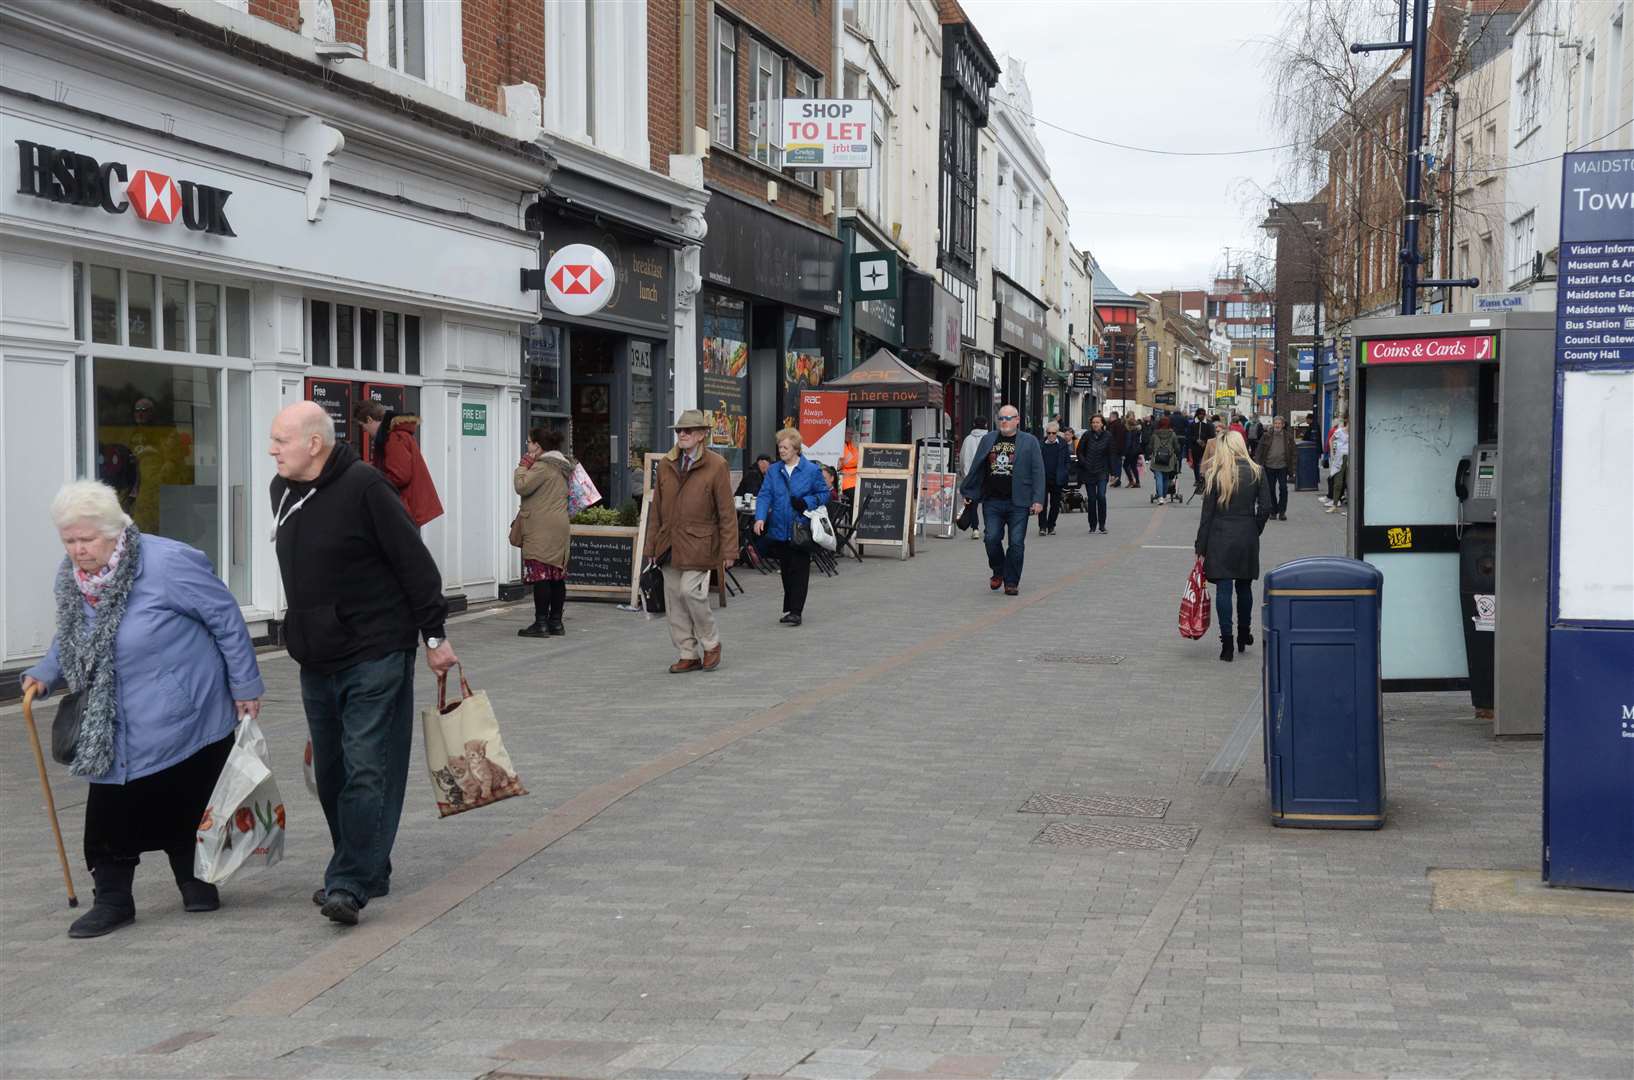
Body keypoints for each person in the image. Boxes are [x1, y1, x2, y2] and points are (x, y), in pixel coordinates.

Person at [22, 481, 264, 939]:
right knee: (111, 810)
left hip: (183, 711)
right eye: (69, 541)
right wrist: (45, 671)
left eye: (86, 540)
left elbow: (225, 618)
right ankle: (112, 899)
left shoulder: (167, 562)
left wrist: (245, 684)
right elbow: (72, 635)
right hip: (109, 719)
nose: (77, 551)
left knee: (186, 798)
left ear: (114, 531)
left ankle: (196, 880)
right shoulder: (74, 579)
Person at [268, 402, 458, 927]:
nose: (272, 449)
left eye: (280, 439)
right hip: (316, 654)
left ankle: (349, 882)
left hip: (376, 647)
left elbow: (413, 562)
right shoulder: (282, 491)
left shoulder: (366, 488)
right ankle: (368, 865)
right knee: (330, 773)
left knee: (367, 766)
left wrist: (435, 635)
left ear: (314, 442)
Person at [644, 410, 737, 672]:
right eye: (679, 431)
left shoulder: (716, 464)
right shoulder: (666, 464)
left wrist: (730, 549)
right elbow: (657, 509)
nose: (682, 435)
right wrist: (651, 545)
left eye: (688, 430)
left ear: (701, 435)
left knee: (690, 591)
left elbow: (726, 511)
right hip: (669, 541)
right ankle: (688, 652)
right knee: (674, 599)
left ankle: (711, 642)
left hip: (700, 542)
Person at [1195, 430, 1273, 663]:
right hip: (1246, 534)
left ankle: (1226, 643)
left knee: (1224, 590)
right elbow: (1266, 507)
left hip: (1220, 535)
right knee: (1245, 587)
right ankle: (1244, 633)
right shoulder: (1257, 471)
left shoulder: (1215, 474)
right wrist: (1255, 528)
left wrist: (1201, 546)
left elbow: (1206, 515)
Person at [958, 405, 1044, 595]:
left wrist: (1038, 499)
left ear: (1017, 420)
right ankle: (998, 571)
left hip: (1019, 502)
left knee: (1016, 543)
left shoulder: (1029, 441)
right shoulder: (988, 439)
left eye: (1008, 418)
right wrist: (970, 492)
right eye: (1001, 418)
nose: (1004, 421)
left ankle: (1011, 581)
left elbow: (1038, 471)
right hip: (992, 500)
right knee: (991, 538)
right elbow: (977, 467)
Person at [753, 428, 831, 627]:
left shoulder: (811, 470)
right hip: (779, 528)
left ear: (796, 449)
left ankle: (796, 611)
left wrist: (806, 502)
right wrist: (760, 517)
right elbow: (764, 495)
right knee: (786, 570)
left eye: (785, 447)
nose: (781, 450)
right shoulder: (773, 470)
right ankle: (790, 608)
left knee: (800, 569)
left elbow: (824, 494)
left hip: (801, 528)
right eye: (779, 447)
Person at [514, 428, 573, 638]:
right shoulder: (564, 465)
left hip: (541, 527)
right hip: (560, 525)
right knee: (556, 575)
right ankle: (556, 622)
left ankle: (541, 624)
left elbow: (521, 487)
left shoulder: (541, 467)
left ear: (538, 446)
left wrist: (522, 467)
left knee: (541, 576)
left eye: (529, 442)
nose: (527, 446)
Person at [354, 400, 444, 527]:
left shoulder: (394, 438)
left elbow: (400, 476)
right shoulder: (396, 434)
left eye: (363, 426)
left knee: (402, 546)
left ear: (369, 419)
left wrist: (373, 479)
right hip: (405, 507)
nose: (364, 431)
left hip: (403, 508)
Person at [1076, 414, 1115, 533]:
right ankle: (1092, 525)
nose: (1095, 424)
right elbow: (1079, 451)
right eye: (1093, 422)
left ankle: (1102, 525)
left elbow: (1111, 454)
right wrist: (1084, 462)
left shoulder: (1108, 436)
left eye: (1097, 422)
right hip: (1089, 471)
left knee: (1101, 497)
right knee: (1092, 499)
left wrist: (1113, 472)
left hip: (1102, 471)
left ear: (1102, 424)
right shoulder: (1087, 435)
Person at [1254, 415, 1296, 521]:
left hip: (1283, 466)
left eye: (1279, 423)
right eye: (1275, 423)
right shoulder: (1266, 436)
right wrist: (1257, 464)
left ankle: (1282, 512)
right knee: (1270, 489)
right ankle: (1273, 511)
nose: (1277, 425)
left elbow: (1294, 453)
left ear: (1283, 425)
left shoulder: (1288, 437)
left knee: (1283, 489)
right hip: (1269, 466)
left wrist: (1294, 469)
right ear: (1273, 424)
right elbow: (1259, 450)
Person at [959, 416, 990, 541]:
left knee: (972, 504)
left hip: (972, 476)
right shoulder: (990, 438)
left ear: (973, 424)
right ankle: (988, 528)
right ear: (986, 425)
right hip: (987, 476)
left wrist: (964, 475)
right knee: (988, 503)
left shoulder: (968, 439)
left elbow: (963, 458)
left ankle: (975, 529)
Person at [1039, 421, 1071, 535]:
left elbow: (1067, 461)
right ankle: (1042, 527)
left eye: (1053, 433)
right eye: (1049, 433)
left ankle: (1051, 525)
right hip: (1043, 479)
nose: (1051, 435)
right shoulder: (1040, 444)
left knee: (1055, 504)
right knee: (1042, 504)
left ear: (1057, 433)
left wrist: (1064, 472)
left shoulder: (1062, 444)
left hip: (1057, 478)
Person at [1149, 416, 1182, 505]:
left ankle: (1160, 497)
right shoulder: (1173, 434)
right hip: (1169, 460)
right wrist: (1178, 453)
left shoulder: (1155, 434)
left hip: (1157, 459)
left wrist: (1150, 453)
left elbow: (1150, 447)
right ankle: (1163, 496)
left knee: (1158, 478)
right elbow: (1177, 447)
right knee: (1166, 478)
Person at [1325, 414, 1350, 513]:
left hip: (1350, 458)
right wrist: (1332, 451)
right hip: (1340, 458)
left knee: (1350, 483)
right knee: (1338, 482)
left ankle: (1350, 508)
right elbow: (1331, 440)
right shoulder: (1339, 431)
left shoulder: (1355, 432)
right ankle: (1335, 504)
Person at [1189, 408, 1213, 490]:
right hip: (1195, 446)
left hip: (1205, 446)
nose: (1201, 416)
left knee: (1205, 462)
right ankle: (1197, 479)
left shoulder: (1208, 424)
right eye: (1200, 414)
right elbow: (1189, 435)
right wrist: (1196, 440)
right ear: (1197, 414)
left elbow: (1211, 435)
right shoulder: (1193, 424)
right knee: (1196, 463)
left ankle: (1203, 478)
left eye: (1203, 414)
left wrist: (1205, 442)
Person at [1122, 417, 1144, 488]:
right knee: (1133, 466)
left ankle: (1131, 480)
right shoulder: (1137, 431)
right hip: (1136, 450)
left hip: (1130, 451)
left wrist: (1124, 453)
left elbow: (1128, 443)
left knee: (1125, 465)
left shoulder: (1129, 431)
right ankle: (1137, 482)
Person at [839, 428, 860, 497]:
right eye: (848, 433)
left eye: (851, 434)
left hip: (855, 479)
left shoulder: (851, 444)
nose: (850, 435)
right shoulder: (841, 444)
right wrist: (855, 459)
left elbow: (859, 459)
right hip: (847, 482)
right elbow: (849, 462)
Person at [1108, 411, 1125, 486]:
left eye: (1110, 416)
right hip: (1118, 448)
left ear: (1113, 417)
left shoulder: (1114, 425)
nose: (1109, 418)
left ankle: (1116, 480)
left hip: (1114, 448)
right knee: (1117, 465)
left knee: (1114, 465)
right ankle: (1117, 480)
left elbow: (1115, 438)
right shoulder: (1120, 424)